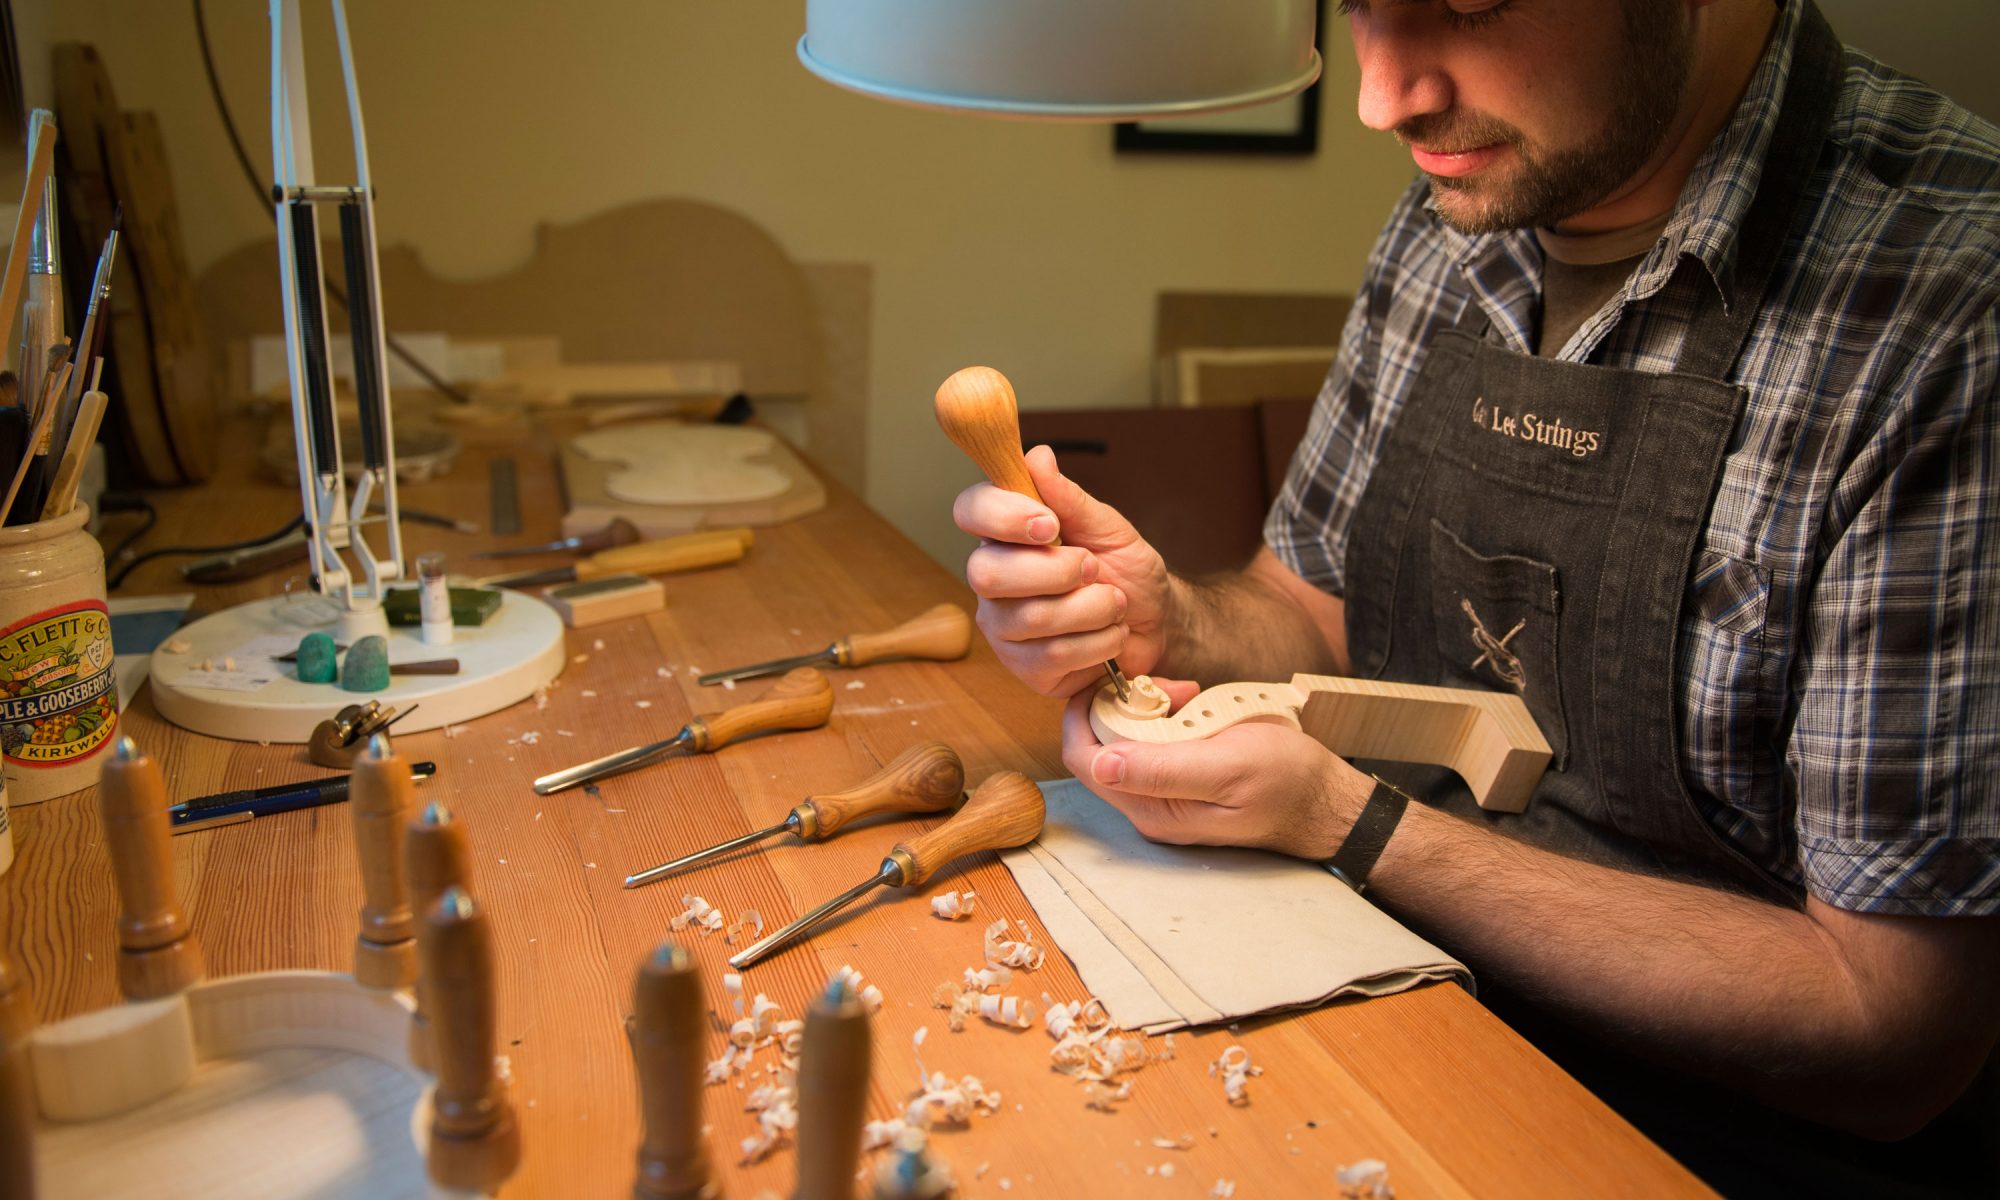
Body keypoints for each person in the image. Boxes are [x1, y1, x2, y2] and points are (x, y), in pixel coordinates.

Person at [950, 0, 1999, 1194]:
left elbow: (1893, 1035)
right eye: (1355, 10)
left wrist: (1353, 824)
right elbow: (1308, 606)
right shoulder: (1469, 196)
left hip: (1704, 1150)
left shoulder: (1948, 306)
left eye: (1464, 4)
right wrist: (1168, 623)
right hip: (1386, 1021)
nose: (1380, 99)